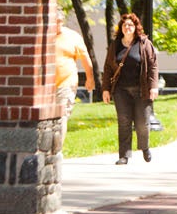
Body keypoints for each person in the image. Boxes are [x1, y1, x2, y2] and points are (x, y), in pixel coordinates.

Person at [101, 12, 159, 165]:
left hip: (142, 89)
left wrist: (153, 87)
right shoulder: (115, 45)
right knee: (124, 121)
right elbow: (108, 68)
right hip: (121, 90)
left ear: (136, 27)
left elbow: (153, 66)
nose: (128, 27)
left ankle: (144, 147)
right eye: (125, 25)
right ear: (121, 28)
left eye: (131, 25)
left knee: (142, 123)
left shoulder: (144, 43)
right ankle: (124, 155)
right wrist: (105, 89)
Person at [54, 19, 96, 133]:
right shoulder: (43, 34)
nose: (55, 24)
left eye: (58, 21)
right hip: (45, 85)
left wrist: (90, 78)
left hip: (66, 82)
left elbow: (85, 57)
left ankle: (57, 150)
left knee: (61, 116)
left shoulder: (72, 36)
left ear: (61, 21)